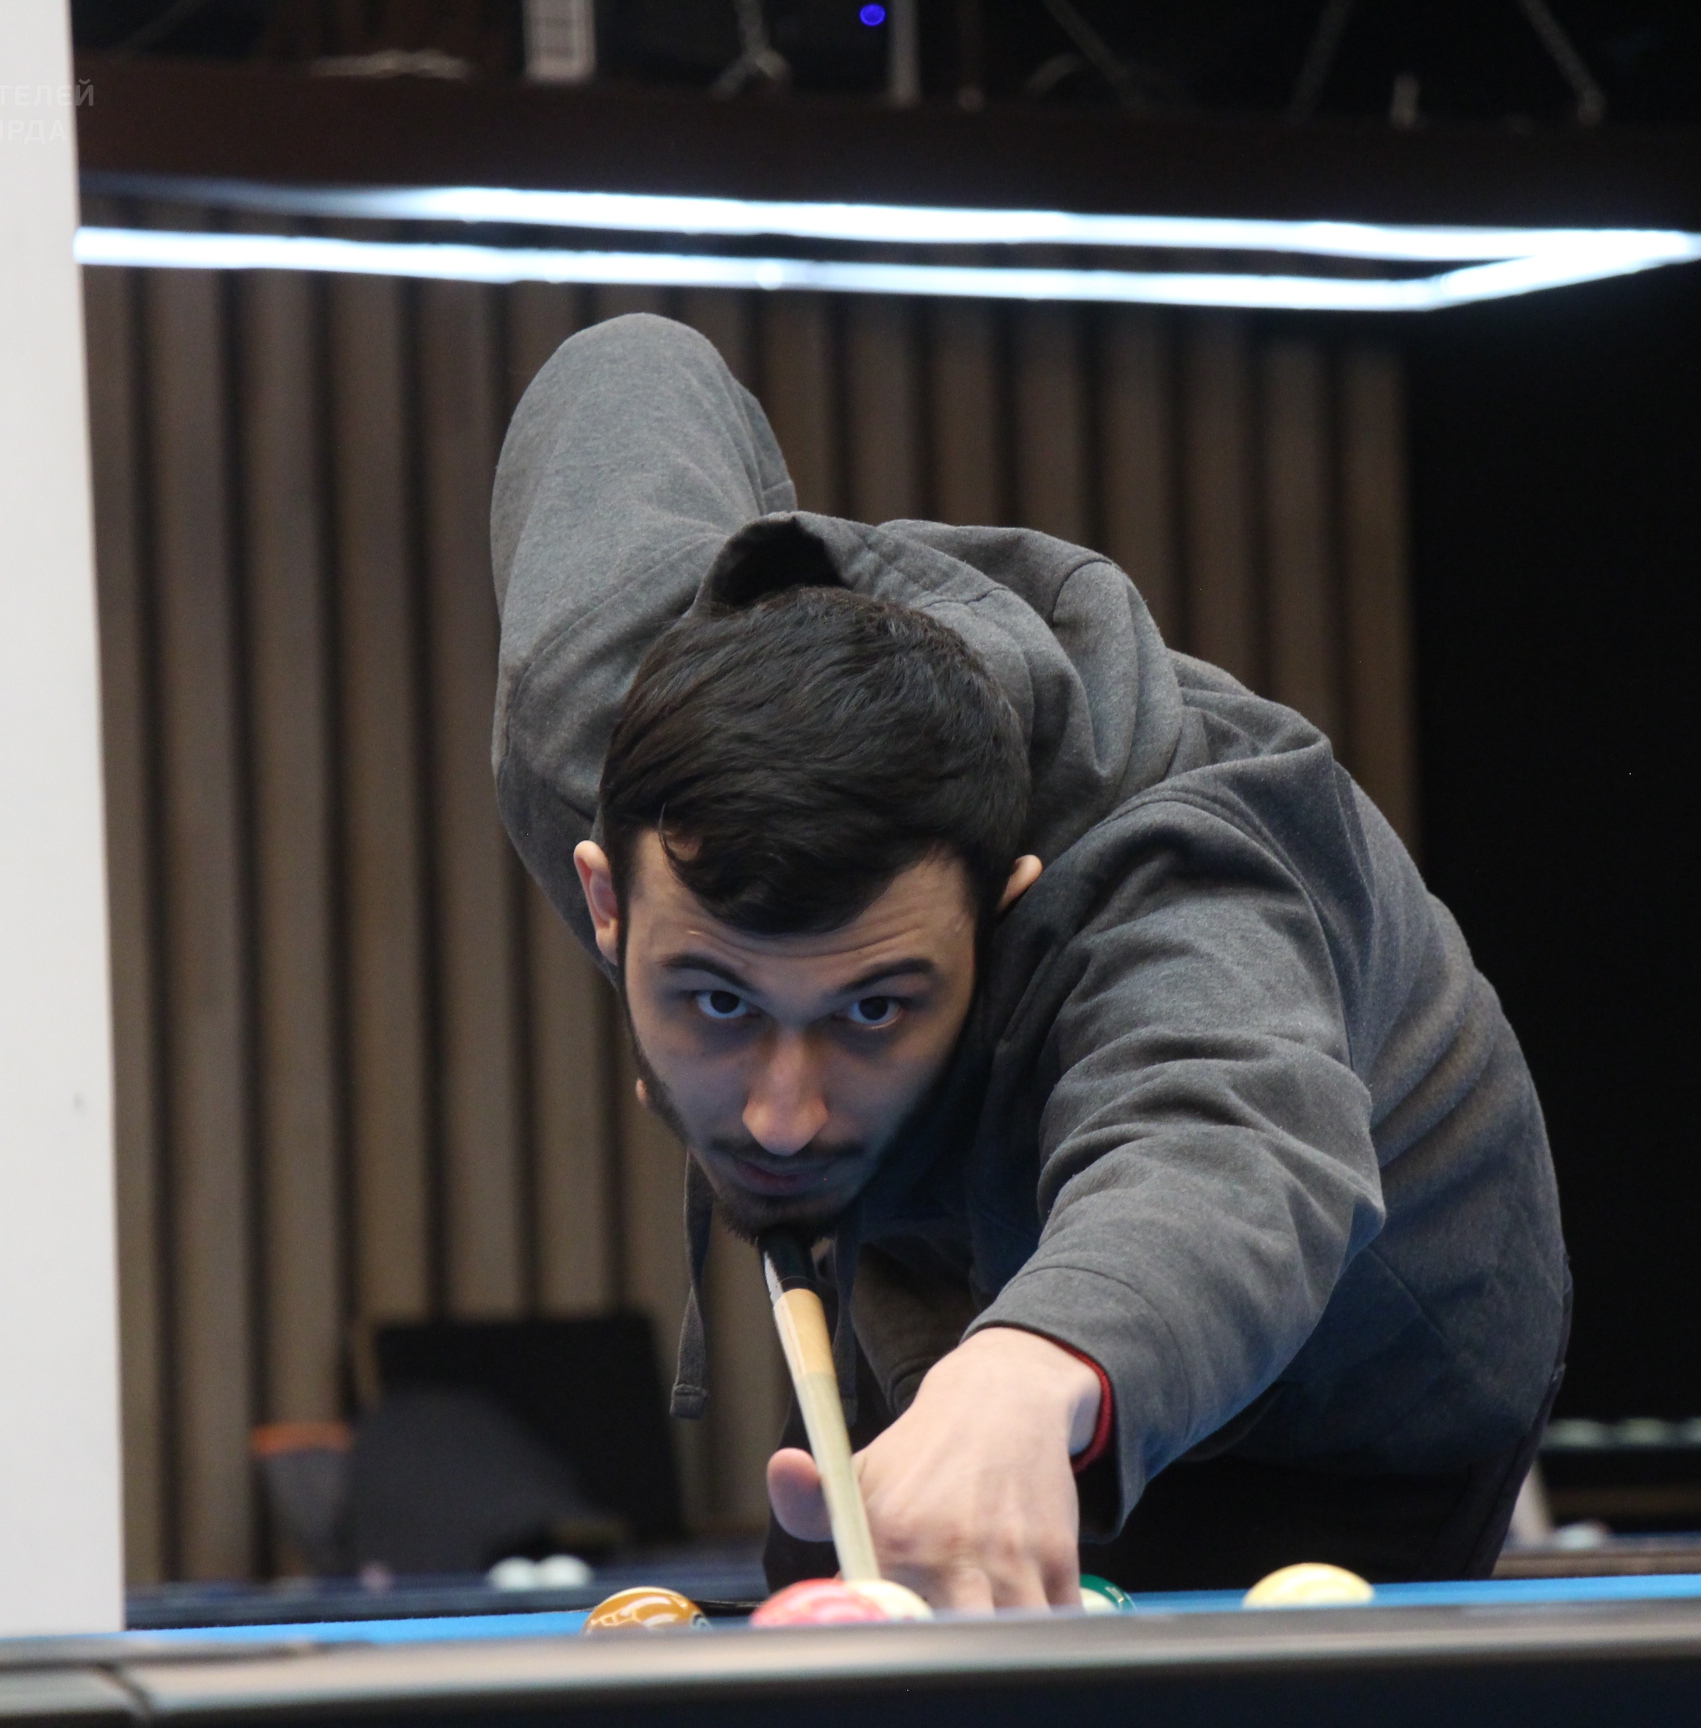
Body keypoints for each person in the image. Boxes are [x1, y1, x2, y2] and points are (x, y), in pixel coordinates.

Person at [490, 314, 1566, 1613]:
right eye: (717, 999)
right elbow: (629, 365)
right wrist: (777, 599)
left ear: (1002, 912)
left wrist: (1027, 1368)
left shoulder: (1181, 877)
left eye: (873, 1006)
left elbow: (1223, 1144)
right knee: (848, 1625)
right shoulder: (595, 723)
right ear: (609, 899)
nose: (780, 1111)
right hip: (957, 1270)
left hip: (1342, 1385)